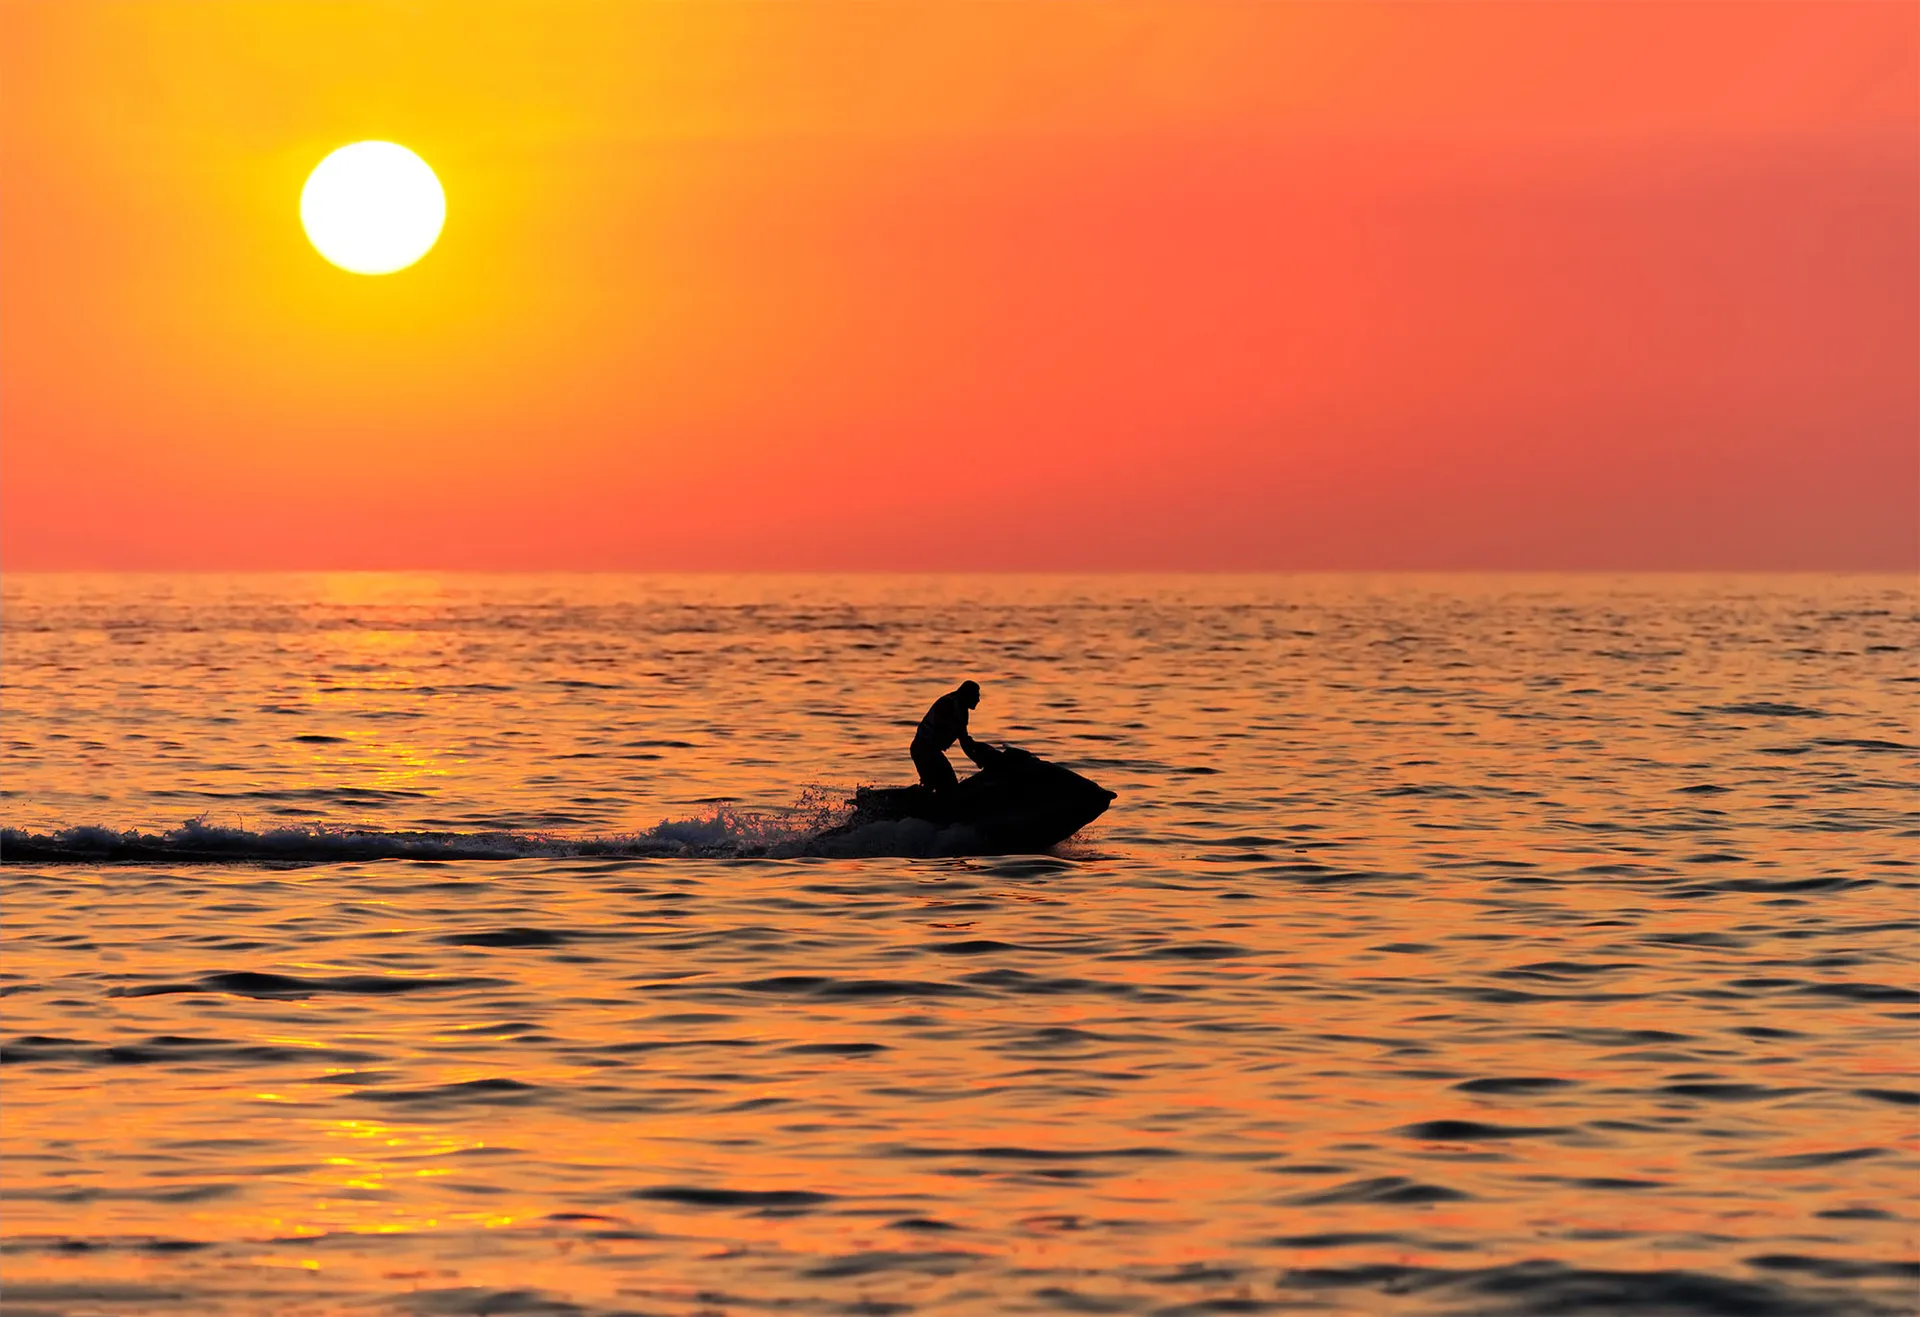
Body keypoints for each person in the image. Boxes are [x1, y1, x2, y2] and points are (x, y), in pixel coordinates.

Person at [912, 680, 986, 792]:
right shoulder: (949, 704)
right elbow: (962, 738)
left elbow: (964, 740)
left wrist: (979, 758)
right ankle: (912, 799)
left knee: (950, 787)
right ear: (967, 695)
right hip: (923, 749)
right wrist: (977, 758)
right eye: (976, 696)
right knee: (935, 786)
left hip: (932, 751)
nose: (978, 700)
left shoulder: (961, 709)